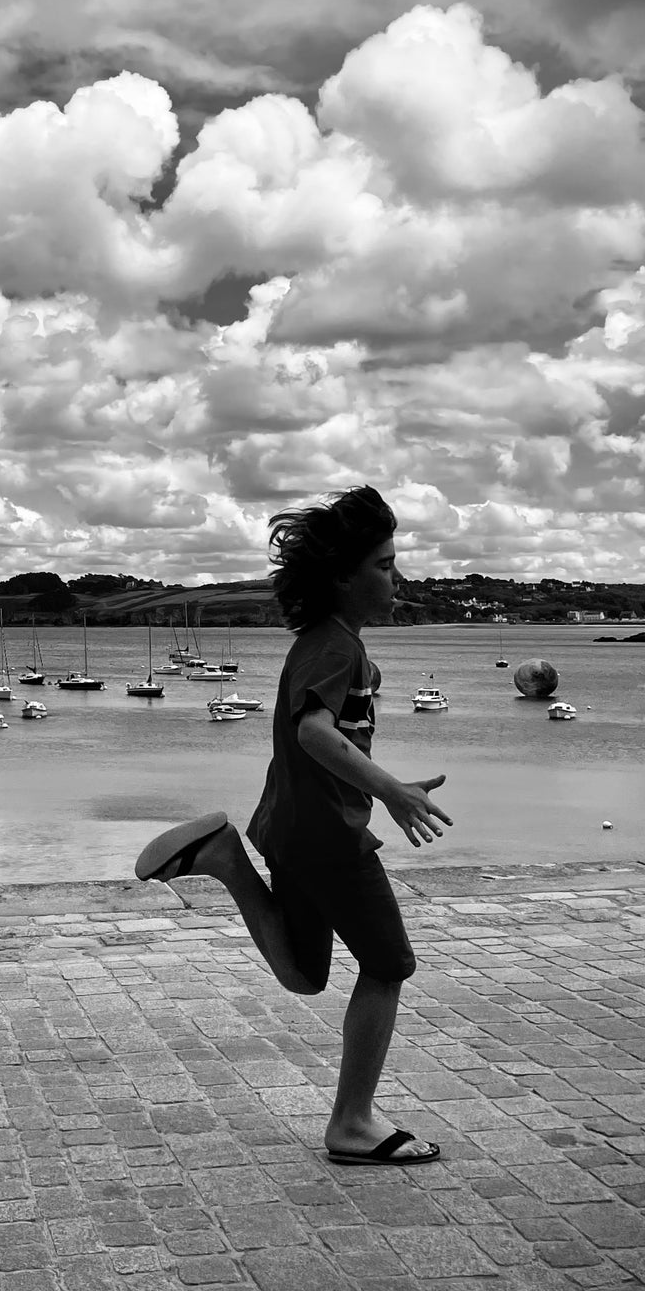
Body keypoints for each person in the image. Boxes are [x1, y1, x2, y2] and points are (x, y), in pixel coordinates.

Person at [135, 486, 450, 1165]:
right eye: (385, 565)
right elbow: (312, 732)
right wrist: (391, 790)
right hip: (328, 836)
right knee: (389, 965)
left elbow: (326, 729)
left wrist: (376, 749)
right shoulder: (335, 648)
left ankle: (224, 857)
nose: (398, 577)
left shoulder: (327, 643)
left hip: (294, 827)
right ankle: (352, 1123)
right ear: (343, 577)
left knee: (305, 973)